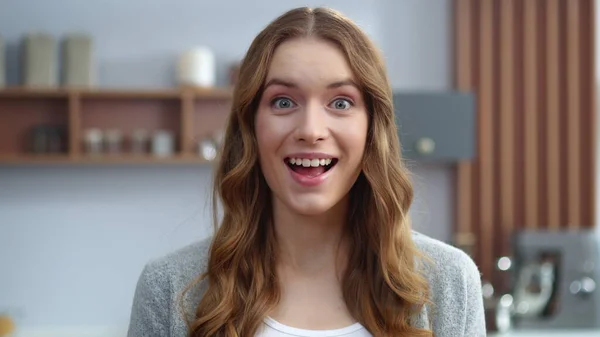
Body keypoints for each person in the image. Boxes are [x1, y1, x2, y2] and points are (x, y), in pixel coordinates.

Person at [127, 6, 486, 337]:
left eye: (341, 102)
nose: (311, 129)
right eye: (283, 102)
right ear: (250, 127)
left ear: (372, 129)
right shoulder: (169, 289)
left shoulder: (449, 281)